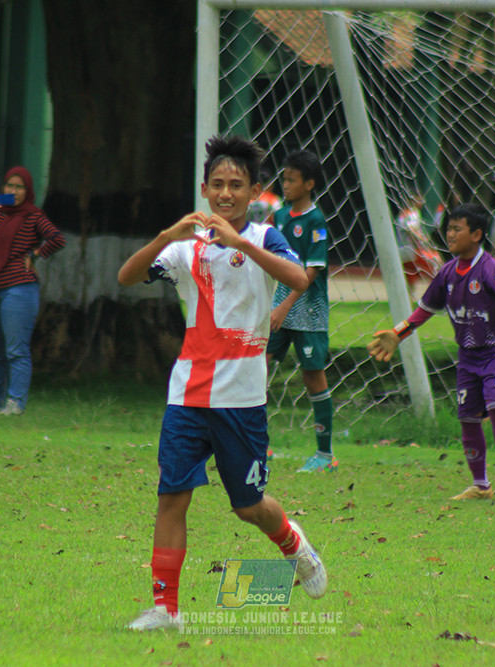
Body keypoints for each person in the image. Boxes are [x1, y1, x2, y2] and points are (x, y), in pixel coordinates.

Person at [117, 135, 327, 632]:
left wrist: (239, 245)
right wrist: (167, 235)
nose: (225, 194)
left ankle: (294, 545)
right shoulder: (184, 247)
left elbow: (299, 280)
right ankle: (165, 609)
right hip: (187, 394)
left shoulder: (264, 237)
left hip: (242, 398)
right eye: (217, 184)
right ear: (205, 189)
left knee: (248, 506)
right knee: (172, 497)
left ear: (254, 191)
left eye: (236, 185)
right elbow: (127, 276)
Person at [368, 203, 495, 502]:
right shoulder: (447, 273)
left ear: (476, 234)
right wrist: (397, 335)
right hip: (469, 356)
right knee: (468, 416)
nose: (449, 234)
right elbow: (424, 310)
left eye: (456, 229)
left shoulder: (492, 270)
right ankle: (480, 485)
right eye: (448, 228)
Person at [0, 166, 65, 415]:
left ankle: (15, 403)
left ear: (28, 190)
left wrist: (35, 254)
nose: (13, 191)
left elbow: (57, 239)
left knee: (16, 349)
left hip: (19, 288)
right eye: (9, 186)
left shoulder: (33, 215)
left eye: (19, 187)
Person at [265, 150, 337, 473]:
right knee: (259, 367)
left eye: (291, 180)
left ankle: (325, 456)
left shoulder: (315, 220)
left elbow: (311, 273)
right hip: (280, 307)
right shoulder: (280, 215)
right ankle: (257, 445)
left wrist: (284, 305)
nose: (285, 184)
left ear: (309, 184)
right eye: (284, 178)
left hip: (306, 311)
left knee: (312, 375)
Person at [395, 191, 441, 288]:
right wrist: (422, 240)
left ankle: (408, 301)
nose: (422, 202)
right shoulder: (413, 213)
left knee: (410, 281)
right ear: (412, 200)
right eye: (419, 199)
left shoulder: (402, 214)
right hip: (412, 250)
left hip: (401, 251)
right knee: (437, 264)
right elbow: (410, 230)